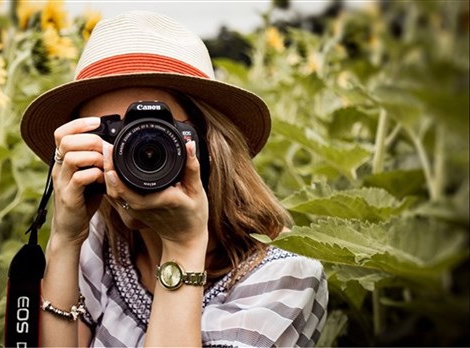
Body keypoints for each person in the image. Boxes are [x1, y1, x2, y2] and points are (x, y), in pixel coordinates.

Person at [20, 10, 328, 347]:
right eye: (112, 134)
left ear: (211, 144)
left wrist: (183, 246)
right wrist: (64, 240)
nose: (132, 152)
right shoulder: (103, 238)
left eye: (156, 133)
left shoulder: (285, 275)